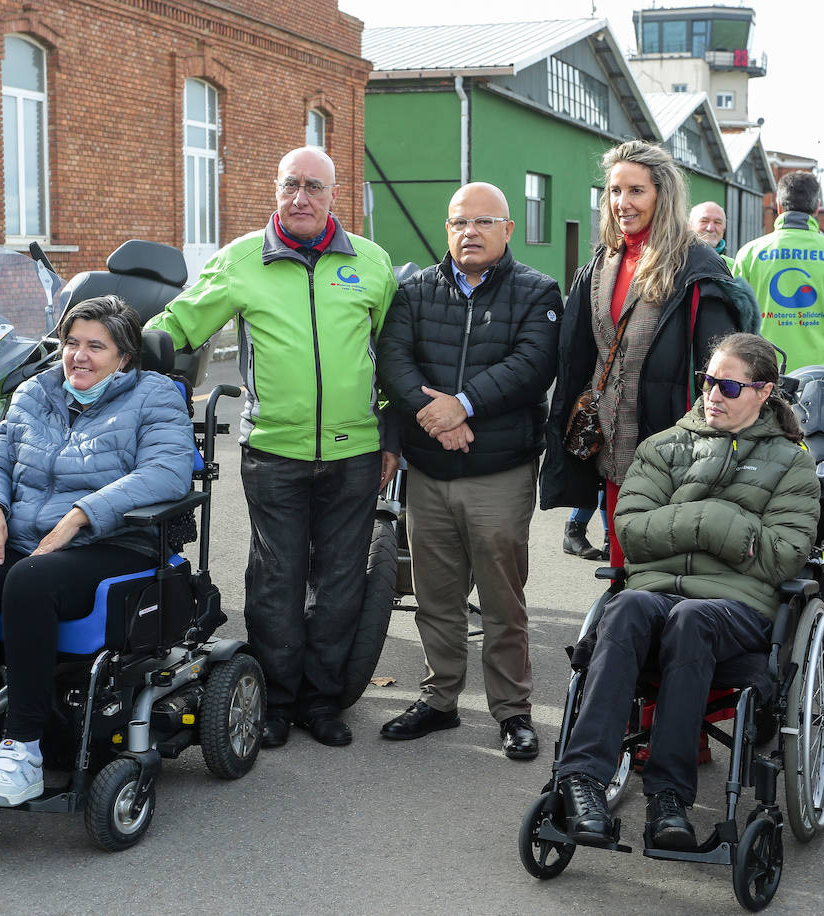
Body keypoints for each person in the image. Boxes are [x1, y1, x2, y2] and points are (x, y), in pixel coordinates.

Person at [144, 146, 398, 749]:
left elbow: (392, 359)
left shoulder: (372, 263)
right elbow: (177, 324)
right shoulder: (240, 260)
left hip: (355, 452)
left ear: (335, 194)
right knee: (275, 582)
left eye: (314, 186)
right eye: (291, 186)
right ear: (276, 191)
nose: (301, 198)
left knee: (340, 585)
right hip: (274, 452)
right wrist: (111, 343)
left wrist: (392, 435)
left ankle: (322, 702)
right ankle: (276, 702)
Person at [0, 295, 194, 806]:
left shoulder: (155, 396)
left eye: (95, 346)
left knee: (30, 581)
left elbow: (168, 472)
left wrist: (82, 514)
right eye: (71, 343)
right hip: (30, 539)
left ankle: (24, 749)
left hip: (114, 540)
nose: (78, 355)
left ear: (123, 356)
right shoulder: (36, 391)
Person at [554, 332, 819, 850]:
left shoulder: (792, 463)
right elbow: (628, 530)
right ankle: (582, 781)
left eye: (729, 386)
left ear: (764, 392)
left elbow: (784, 555)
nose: (713, 394)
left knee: (692, 618)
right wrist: (716, 522)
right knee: (626, 604)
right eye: (708, 381)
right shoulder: (664, 447)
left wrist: (699, 520)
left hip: (735, 607)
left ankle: (668, 799)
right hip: (654, 596)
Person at [375, 182, 560, 759]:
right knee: (436, 596)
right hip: (429, 470)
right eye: (459, 223)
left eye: (483, 221)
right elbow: (393, 360)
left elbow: (533, 365)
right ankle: (439, 700)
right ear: (446, 229)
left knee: (503, 600)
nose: (469, 232)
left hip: (498, 470)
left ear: (507, 229)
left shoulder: (538, 292)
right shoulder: (414, 292)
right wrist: (437, 417)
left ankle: (512, 711)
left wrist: (465, 403)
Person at [541, 140, 757, 568]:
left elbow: (718, 373)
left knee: (662, 571)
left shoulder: (696, 268)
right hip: (612, 450)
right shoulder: (602, 263)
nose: (622, 203)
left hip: (675, 453)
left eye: (636, 190)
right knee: (623, 559)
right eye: (615, 191)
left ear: (663, 194)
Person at [733, 170, 824, 373]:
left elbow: (735, 316)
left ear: (779, 206)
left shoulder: (749, 253)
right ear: (817, 208)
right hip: (819, 375)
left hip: (761, 371)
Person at [688, 201, 732, 269]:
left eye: (717, 222)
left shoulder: (733, 266)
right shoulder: (678, 261)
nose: (710, 228)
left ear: (724, 228)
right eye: (704, 221)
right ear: (690, 226)